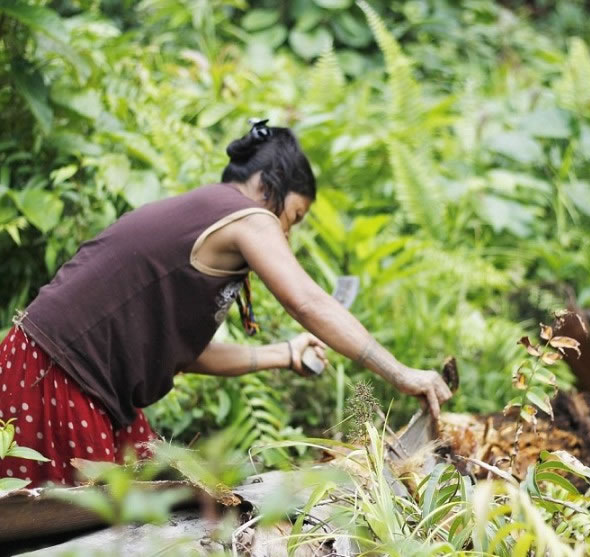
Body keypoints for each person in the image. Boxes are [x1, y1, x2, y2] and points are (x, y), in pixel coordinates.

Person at [0, 119, 452, 486]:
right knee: (90, 531)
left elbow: (186, 356)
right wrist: (401, 373)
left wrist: (285, 353)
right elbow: (307, 302)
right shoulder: (249, 216)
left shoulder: (209, 215)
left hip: (59, 371)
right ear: (269, 186)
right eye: (293, 217)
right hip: (55, 376)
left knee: (136, 511)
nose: (286, 232)